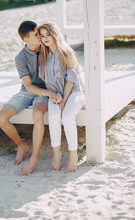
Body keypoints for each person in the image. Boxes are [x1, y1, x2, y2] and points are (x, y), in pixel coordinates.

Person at [0, 21, 62, 176]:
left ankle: (34, 158)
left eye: (39, 33)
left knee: (37, 114)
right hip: (28, 90)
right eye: (36, 35)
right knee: (1, 117)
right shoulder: (20, 58)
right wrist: (50, 95)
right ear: (26, 40)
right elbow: (29, 86)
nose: (40, 37)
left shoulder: (47, 48)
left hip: (46, 89)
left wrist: (51, 92)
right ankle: (21, 146)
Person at [38, 22, 85, 173]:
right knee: (53, 116)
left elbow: (71, 80)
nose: (45, 38)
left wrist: (64, 100)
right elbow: (46, 80)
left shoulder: (67, 53)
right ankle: (56, 154)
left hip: (74, 93)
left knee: (67, 116)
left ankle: (73, 155)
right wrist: (53, 95)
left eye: (48, 35)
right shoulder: (43, 55)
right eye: (42, 35)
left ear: (54, 34)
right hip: (56, 94)